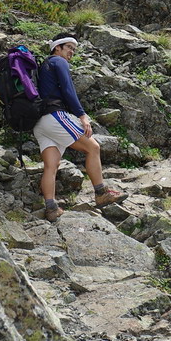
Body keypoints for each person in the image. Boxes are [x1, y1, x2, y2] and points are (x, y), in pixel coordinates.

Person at [34, 32, 128, 221]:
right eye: (68, 47)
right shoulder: (58, 62)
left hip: (39, 123)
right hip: (54, 116)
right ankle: (101, 193)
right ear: (57, 47)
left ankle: (51, 208)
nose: (71, 52)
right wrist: (82, 116)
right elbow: (68, 90)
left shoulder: (43, 66)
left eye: (74, 49)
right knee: (93, 147)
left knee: (51, 166)